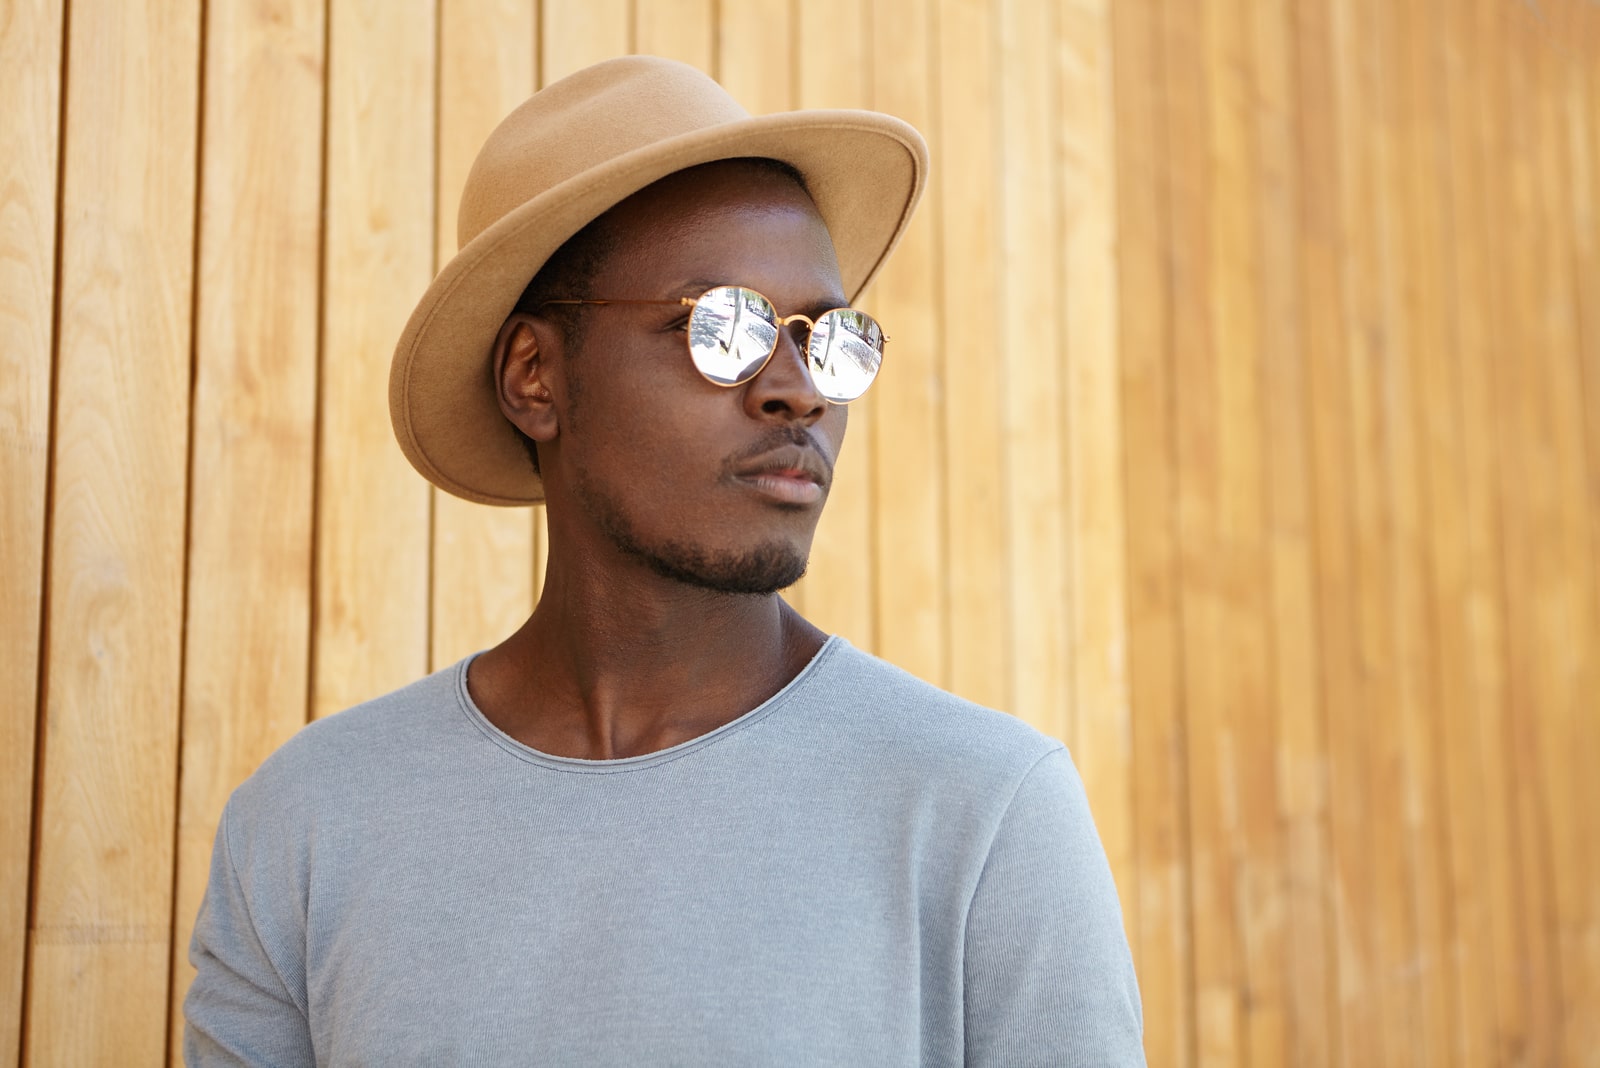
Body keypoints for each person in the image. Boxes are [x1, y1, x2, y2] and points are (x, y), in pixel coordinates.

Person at [184, 55, 1144, 1065]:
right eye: (723, 327)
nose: (799, 391)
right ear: (533, 377)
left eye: (828, 338)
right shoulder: (308, 830)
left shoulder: (982, 812)